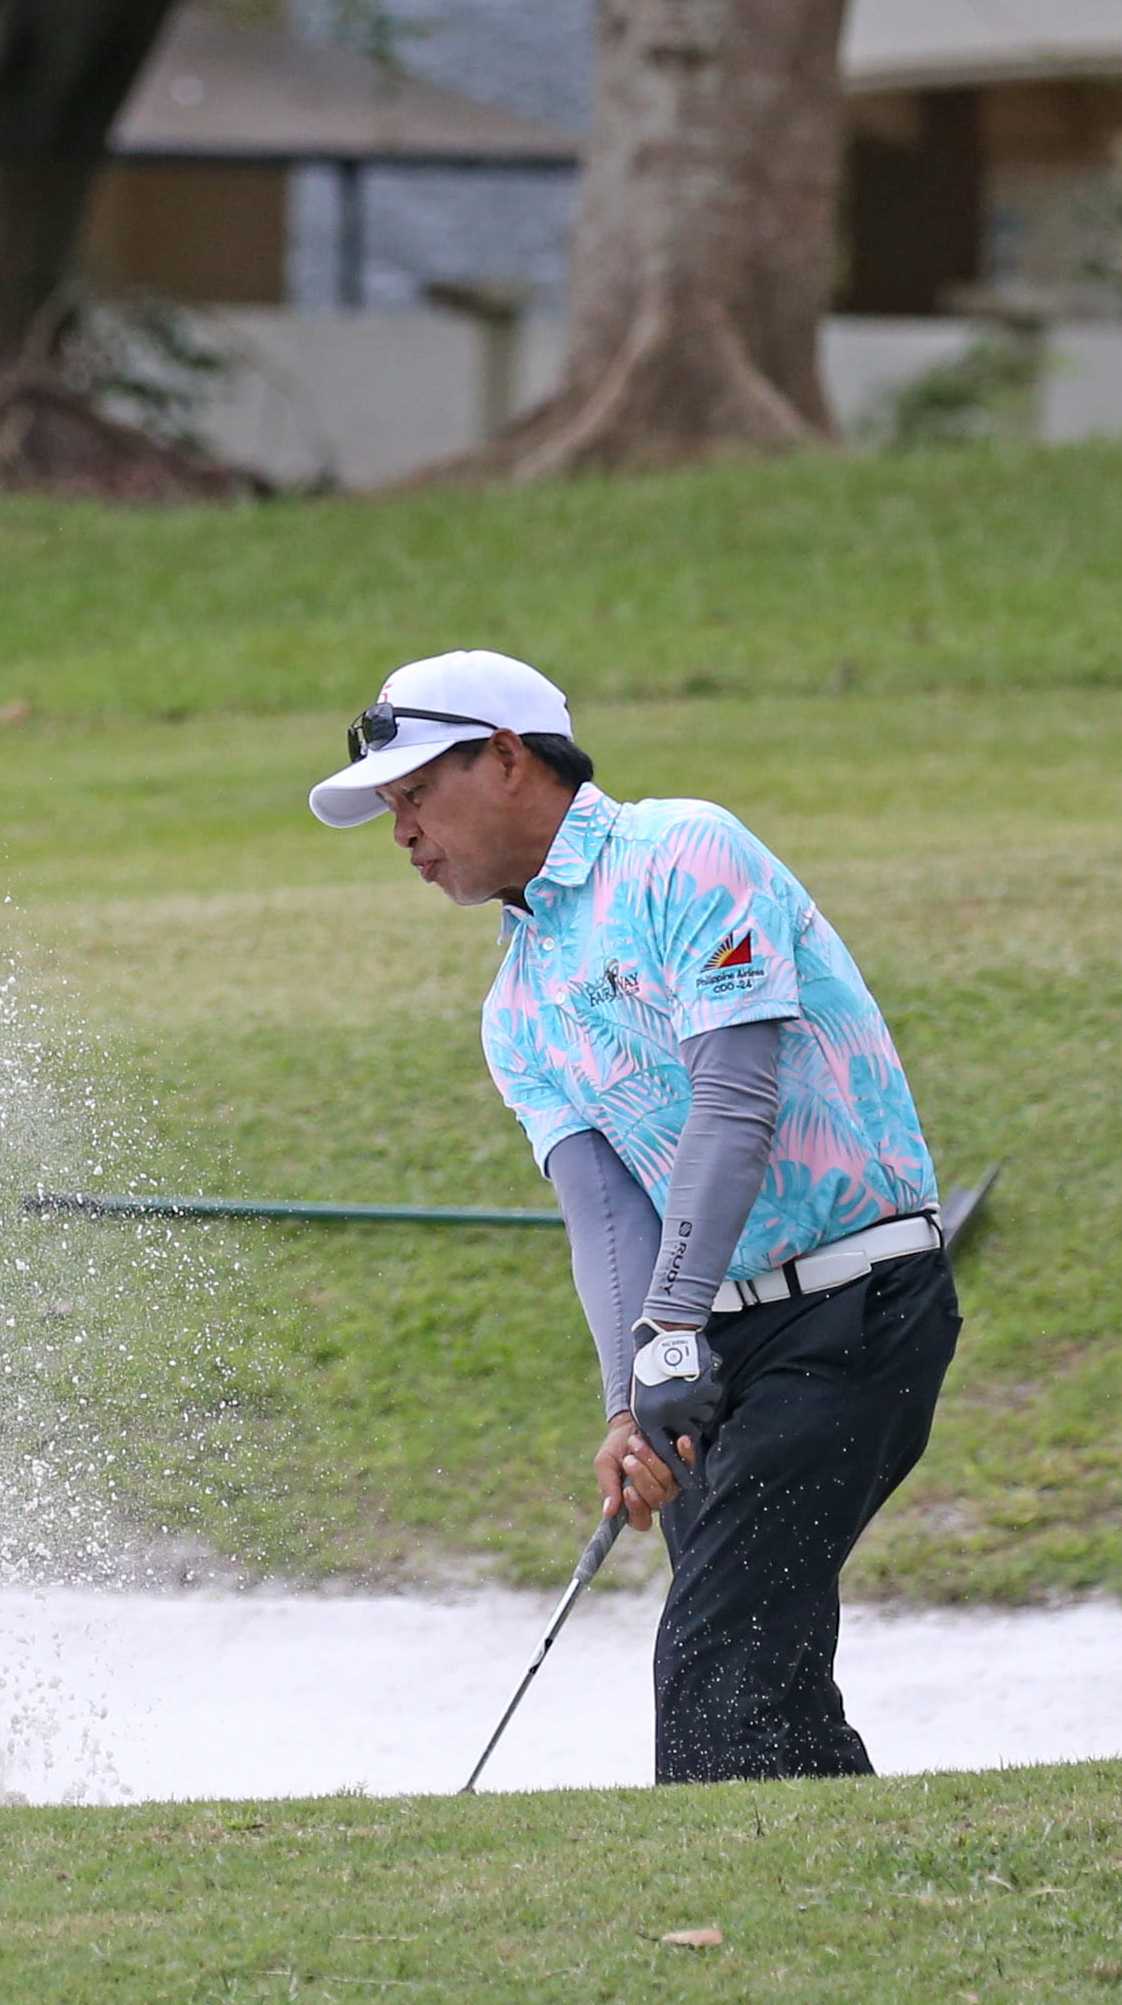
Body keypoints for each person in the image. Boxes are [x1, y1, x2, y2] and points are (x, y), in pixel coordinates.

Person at [310, 649, 960, 1784]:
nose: (403, 831)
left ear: (507, 758)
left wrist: (665, 1341)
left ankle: (739, 1916)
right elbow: (604, 1216)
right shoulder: (513, 1005)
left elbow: (736, 1098)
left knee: (718, 1666)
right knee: (763, 1669)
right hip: (714, 1346)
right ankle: (853, 1900)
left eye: (417, 793)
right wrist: (628, 1399)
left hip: (856, 1309)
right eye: (388, 809)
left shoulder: (684, 852)